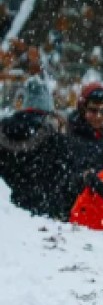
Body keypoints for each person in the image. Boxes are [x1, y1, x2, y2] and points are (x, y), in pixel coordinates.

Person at [0, 77, 84, 220]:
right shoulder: (58, 141)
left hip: (7, 219)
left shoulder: (3, 131)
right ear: (48, 109)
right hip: (45, 219)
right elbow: (69, 185)